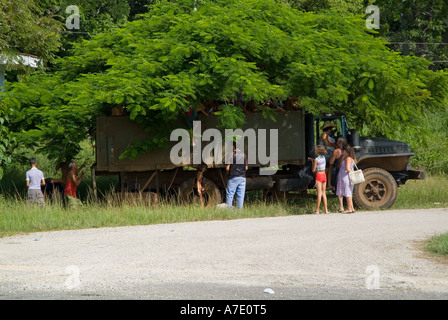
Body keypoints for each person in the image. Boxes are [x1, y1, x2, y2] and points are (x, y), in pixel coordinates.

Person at [225, 142, 248, 209]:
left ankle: (229, 210)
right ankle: (239, 211)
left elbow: (227, 167)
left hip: (233, 177)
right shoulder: (244, 155)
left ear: (233, 146)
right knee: (241, 195)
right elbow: (246, 168)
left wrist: (227, 173)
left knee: (230, 194)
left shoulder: (230, 154)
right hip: (242, 177)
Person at [336, 145, 356, 213]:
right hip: (347, 177)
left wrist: (351, 172)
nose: (342, 153)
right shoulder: (351, 158)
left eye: (342, 151)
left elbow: (347, 168)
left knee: (347, 193)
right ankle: (352, 208)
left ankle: (349, 208)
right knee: (349, 192)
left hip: (346, 177)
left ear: (345, 151)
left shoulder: (348, 159)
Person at [309, 145, 329, 214]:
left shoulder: (316, 159)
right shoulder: (324, 158)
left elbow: (313, 170)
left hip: (319, 175)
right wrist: (313, 161)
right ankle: (326, 210)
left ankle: (317, 210)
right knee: (324, 193)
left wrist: (313, 163)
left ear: (317, 152)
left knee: (319, 193)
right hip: (324, 175)